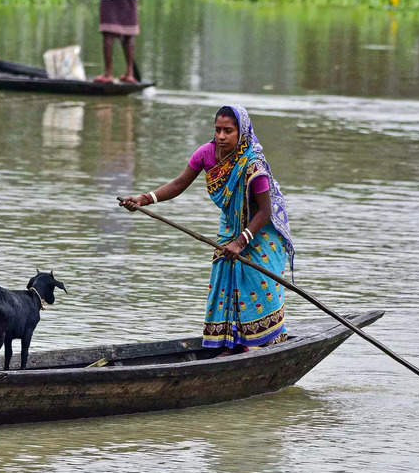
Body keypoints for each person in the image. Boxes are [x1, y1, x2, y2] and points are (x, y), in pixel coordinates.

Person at [119, 105, 296, 355]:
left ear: (241, 133)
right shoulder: (206, 154)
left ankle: (260, 345)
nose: (221, 136)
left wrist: (241, 242)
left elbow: (265, 212)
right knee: (225, 278)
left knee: (257, 288)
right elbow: (180, 183)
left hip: (260, 233)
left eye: (228, 131)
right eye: (218, 130)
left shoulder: (254, 166)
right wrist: (143, 199)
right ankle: (230, 345)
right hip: (230, 229)